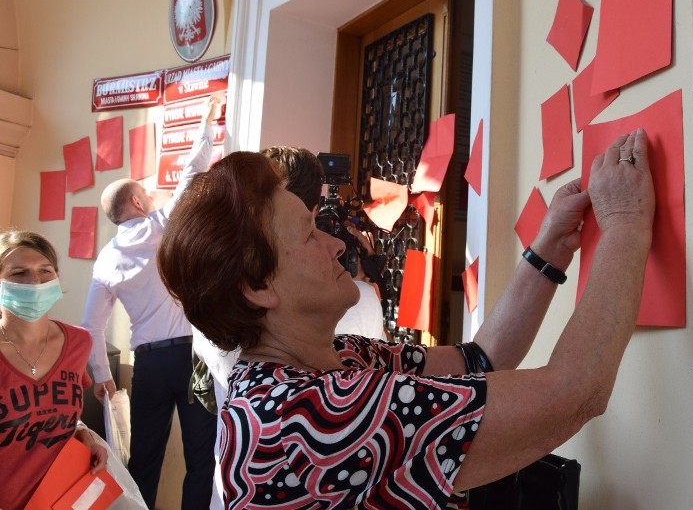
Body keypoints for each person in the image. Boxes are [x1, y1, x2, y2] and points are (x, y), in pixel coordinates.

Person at [158, 128, 654, 508]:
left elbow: (479, 358)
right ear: (259, 287)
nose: (335, 246)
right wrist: (626, 225)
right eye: (308, 234)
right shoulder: (306, 418)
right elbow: (577, 390)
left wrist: (548, 251)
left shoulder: (334, 361)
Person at [80, 97, 222, 510]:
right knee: (201, 458)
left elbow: (90, 326)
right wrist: (207, 121)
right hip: (195, 360)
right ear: (138, 204)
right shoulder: (163, 224)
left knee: (143, 458)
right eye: (146, 194)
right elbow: (194, 171)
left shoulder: (106, 259)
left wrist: (103, 375)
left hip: (149, 368)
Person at [0, 230, 108, 510]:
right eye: (19, 272)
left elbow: (59, 413)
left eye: (45, 271)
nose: (34, 281)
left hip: (64, 497)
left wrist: (84, 438)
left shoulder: (78, 342)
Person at [260, 146, 386, 339]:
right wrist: (367, 284)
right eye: (311, 233)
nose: (338, 247)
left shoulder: (224, 304)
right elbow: (383, 357)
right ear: (313, 211)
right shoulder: (361, 301)